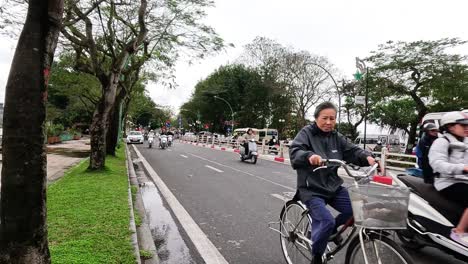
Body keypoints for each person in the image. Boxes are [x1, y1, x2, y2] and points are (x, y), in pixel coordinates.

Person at [289, 102, 377, 264]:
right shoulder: (306, 133)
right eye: (325, 118)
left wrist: (367, 157)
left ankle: (329, 230)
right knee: (326, 221)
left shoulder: (337, 137)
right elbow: (296, 151)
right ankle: (316, 256)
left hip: (333, 187)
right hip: (312, 189)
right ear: (316, 118)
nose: (329, 122)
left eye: (332, 118)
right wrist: (309, 156)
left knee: (360, 210)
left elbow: (352, 151)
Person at [429, 111, 468, 247]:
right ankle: (459, 231)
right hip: (447, 182)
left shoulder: (466, 141)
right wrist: (463, 168)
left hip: (464, 181)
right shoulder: (441, 142)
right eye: (463, 125)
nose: (466, 128)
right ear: (450, 127)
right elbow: (438, 164)